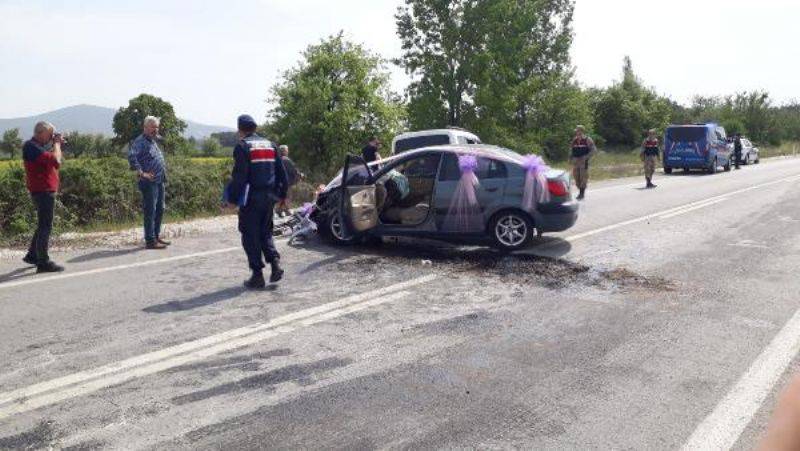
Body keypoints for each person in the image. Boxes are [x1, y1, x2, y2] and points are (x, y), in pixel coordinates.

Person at [226, 114, 288, 289]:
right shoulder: (270, 144)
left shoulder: (242, 147)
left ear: (240, 130)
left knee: (250, 234)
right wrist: (282, 195)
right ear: (254, 128)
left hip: (251, 198)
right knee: (266, 232)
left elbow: (239, 177)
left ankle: (257, 275)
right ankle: (275, 264)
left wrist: (232, 200)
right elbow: (281, 173)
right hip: (269, 197)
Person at [22, 121, 65, 273]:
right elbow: (56, 161)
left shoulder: (37, 147)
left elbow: (50, 157)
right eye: (50, 134)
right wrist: (57, 144)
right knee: (45, 226)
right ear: (41, 132)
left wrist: (55, 144)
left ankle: (33, 255)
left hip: (42, 190)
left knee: (42, 224)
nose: (51, 137)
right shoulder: (31, 146)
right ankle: (43, 262)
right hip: (43, 191)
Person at [128, 116, 170, 250]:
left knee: (160, 209)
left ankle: (156, 236)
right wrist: (142, 173)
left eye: (157, 127)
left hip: (159, 180)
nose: (155, 129)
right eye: (153, 126)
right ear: (145, 127)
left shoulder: (152, 141)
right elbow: (132, 156)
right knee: (150, 210)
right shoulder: (140, 141)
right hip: (149, 182)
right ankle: (150, 240)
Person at [276, 145, 303, 217]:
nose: (288, 151)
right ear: (284, 151)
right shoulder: (286, 160)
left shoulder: (277, 159)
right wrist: (300, 175)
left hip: (278, 182)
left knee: (281, 196)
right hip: (286, 182)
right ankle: (286, 210)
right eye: (287, 150)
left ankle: (279, 210)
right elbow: (294, 170)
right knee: (288, 196)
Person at [570, 125, 596, 200]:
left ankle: (581, 194)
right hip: (575, 162)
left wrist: (586, 157)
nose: (576, 132)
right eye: (576, 131)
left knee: (583, 177)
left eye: (578, 131)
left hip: (583, 162)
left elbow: (593, 150)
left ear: (581, 131)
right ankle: (580, 189)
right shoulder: (574, 140)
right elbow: (571, 150)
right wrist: (570, 158)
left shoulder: (588, 140)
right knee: (576, 178)